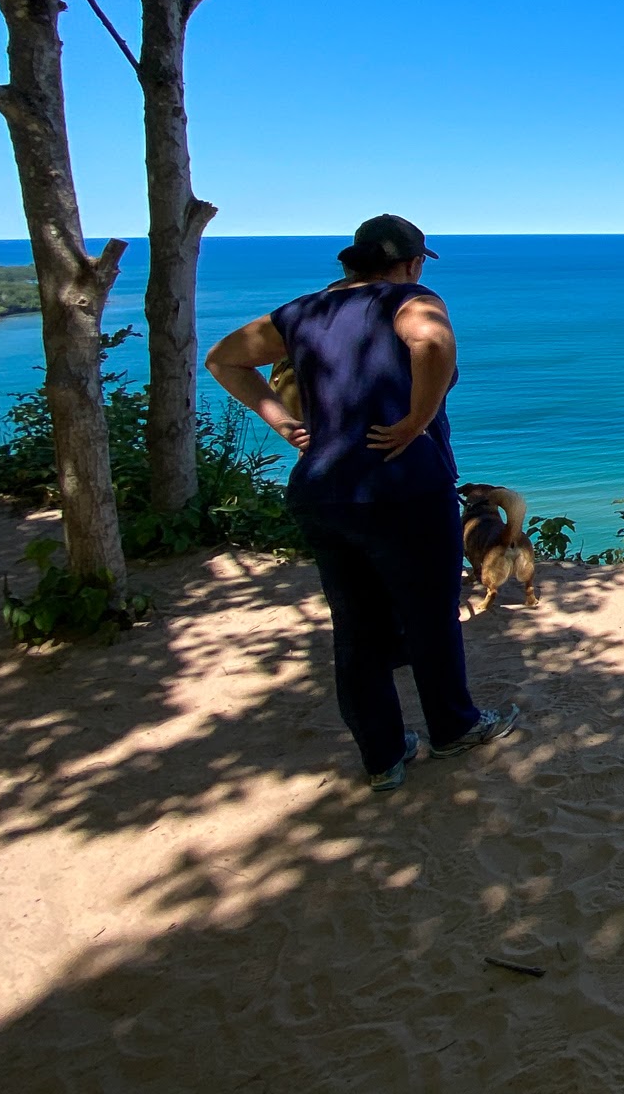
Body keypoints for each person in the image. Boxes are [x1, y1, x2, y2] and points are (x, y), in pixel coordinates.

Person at [205, 214, 519, 792]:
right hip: (403, 488)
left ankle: (382, 756)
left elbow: (223, 358)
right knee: (430, 617)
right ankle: (454, 727)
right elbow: (431, 340)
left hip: (322, 489)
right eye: (419, 262)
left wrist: (283, 423)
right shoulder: (409, 299)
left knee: (356, 627)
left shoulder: (301, 313)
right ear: (409, 263)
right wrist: (414, 422)